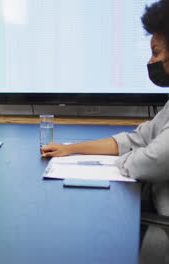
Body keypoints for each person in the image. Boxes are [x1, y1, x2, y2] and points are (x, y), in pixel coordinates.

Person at [40, 0, 169, 253]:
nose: (151, 61)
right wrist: (72, 149)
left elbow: (151, 159)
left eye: (156, 52)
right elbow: (137, 140)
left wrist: (121, 161)